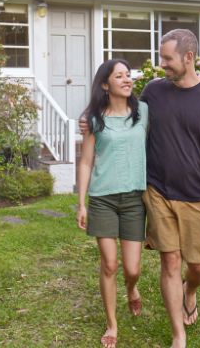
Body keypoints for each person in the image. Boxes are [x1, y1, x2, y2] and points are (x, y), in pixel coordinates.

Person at [80, 29, 200, 348]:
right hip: (157, 191)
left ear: (188, 57)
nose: (161, 64)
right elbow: (120, 112)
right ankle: (178, 335)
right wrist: (89, 119)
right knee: (170, 261)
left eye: (167, 58)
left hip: (196, 193)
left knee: (198, 265)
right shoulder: (154, 91)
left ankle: (190, 291)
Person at [76, 59, 149, 348]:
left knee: (132, 269)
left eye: (128, 75)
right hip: (102, 199)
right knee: (109, 264)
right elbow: (85, 162)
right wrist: (81, 203)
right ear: (105, 85)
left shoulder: (143, 112)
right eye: (119, 76)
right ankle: (112, 324)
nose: (127, 79)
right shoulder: (94, 118)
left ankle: (132, 290)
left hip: (134, 199)